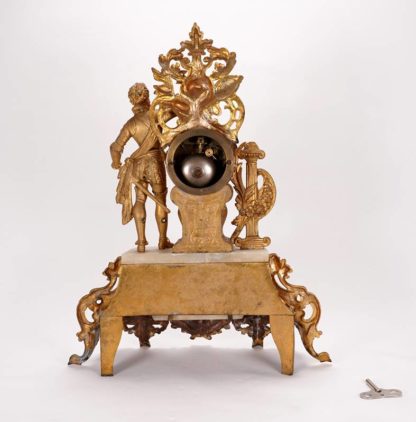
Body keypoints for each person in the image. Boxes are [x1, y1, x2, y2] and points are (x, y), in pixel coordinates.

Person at [110, 83, 173, 252]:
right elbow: (176, 110)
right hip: (154, 161)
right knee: (160, 199)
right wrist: (167, 97)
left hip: (138, 164)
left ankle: (141, 242)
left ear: (132, 100)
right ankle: (162, 240)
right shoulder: (158, 115)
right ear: (147, 97)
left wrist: (116, 162)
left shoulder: (131, 124)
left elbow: (115, 147)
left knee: (140, 200)